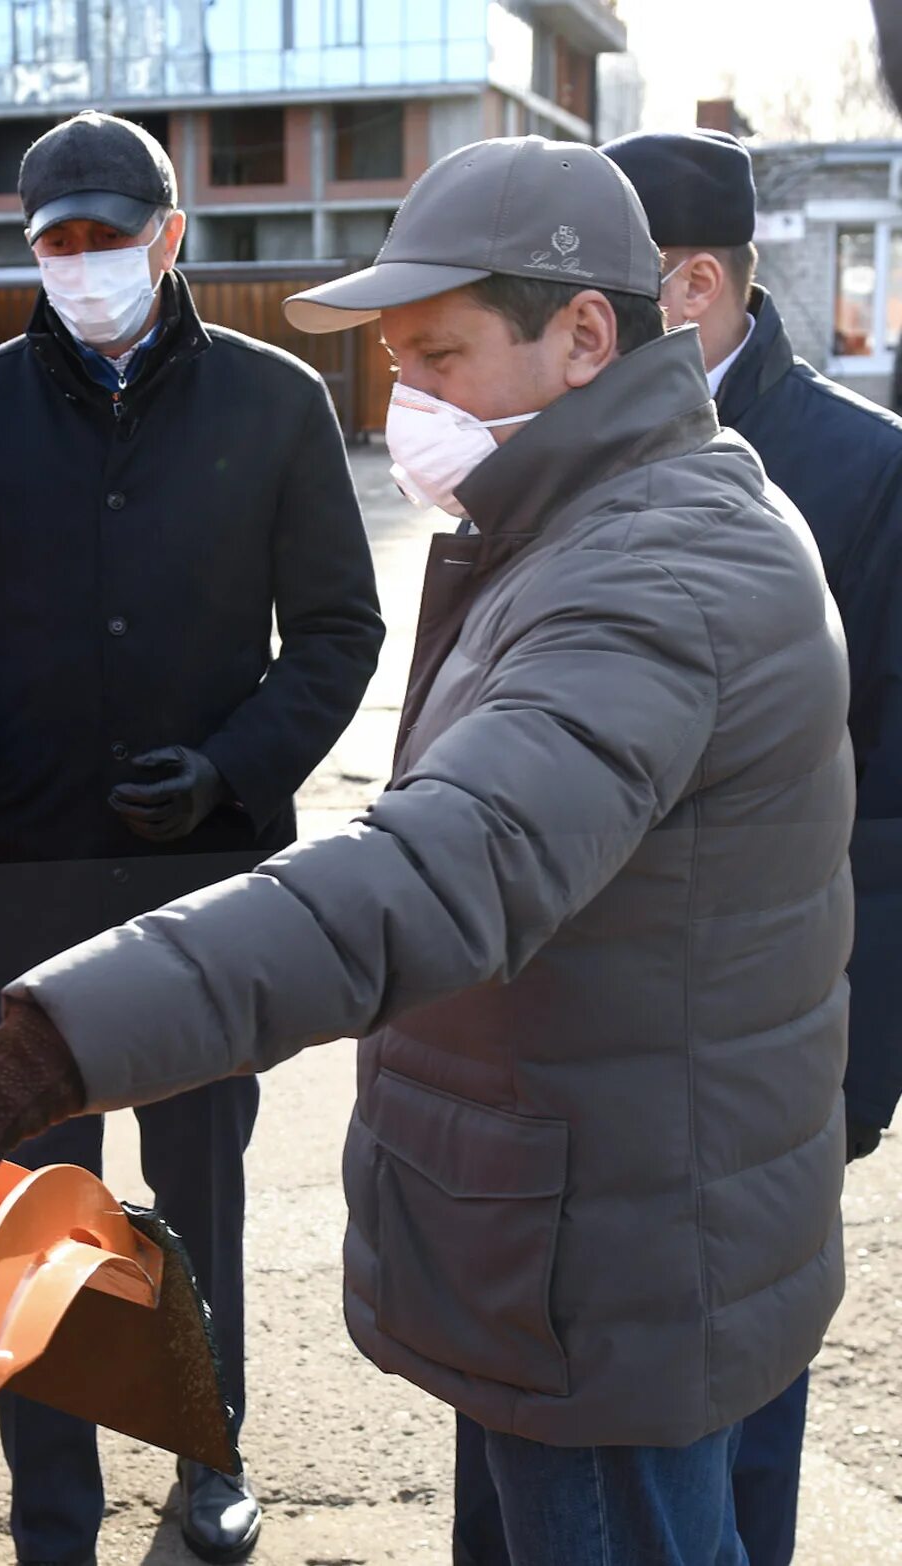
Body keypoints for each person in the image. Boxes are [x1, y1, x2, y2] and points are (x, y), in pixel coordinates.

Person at [0, 136, 855, 1566]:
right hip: (583, 1238)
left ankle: (205, 1467)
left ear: (585, 334)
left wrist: (44, 1047)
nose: (407, 401)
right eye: (397, 361)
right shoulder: (573, 524)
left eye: (437, 355)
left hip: (618, 1266)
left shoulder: (654, 575)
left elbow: (443, 863)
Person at [0, 111, 383, 1565]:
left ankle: (207, 1456)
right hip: (28, 884)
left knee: (194, 1193)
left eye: (109, 235)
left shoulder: (276, 404)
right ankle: (51, 1511)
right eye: (55, 241)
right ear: (31, 249)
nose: (83, 264)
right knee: (38, 1208)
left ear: (171, 234)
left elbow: (338, 630)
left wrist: (230, 767)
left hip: (211, 889)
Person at [427, 122, 902, 1566]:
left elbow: (886, 806)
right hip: (535, 1079)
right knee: (524, 1467)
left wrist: (850, 1070)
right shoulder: (519, 455)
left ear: (683, 285)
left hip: (749, 1065)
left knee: (715, 1455)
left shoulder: (852, 470)